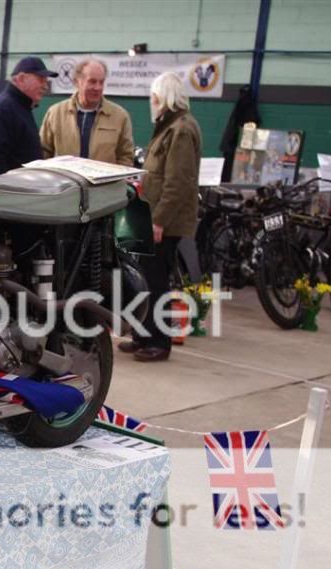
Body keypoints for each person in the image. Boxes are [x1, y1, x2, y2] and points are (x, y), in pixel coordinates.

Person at [119, 72, 201, 362]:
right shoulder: (168, 126)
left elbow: (178, 182)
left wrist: (159, 221)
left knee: (156, 281)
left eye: (154, 97)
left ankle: (158, 341)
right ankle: (143, 335)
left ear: (164, 97)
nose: (151, 102)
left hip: (164, 223)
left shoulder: (181, 129)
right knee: (145, 278)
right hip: (153, 217)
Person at [39, 59, 134, 166]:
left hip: (105, 183)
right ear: (77, 82)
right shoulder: (55, 113)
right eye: (92, 81)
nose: (98, 87)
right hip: (67, 182)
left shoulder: (120, 116)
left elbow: (126, 156)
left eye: (101, 82)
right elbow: (44, 152)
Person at [0, 56, 57, 176]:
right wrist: (8, 190)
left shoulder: (20, 107)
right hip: (8, 192)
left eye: (46, 81)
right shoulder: (2, 110)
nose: (45, 86)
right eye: (41, 79)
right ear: (21, 78)